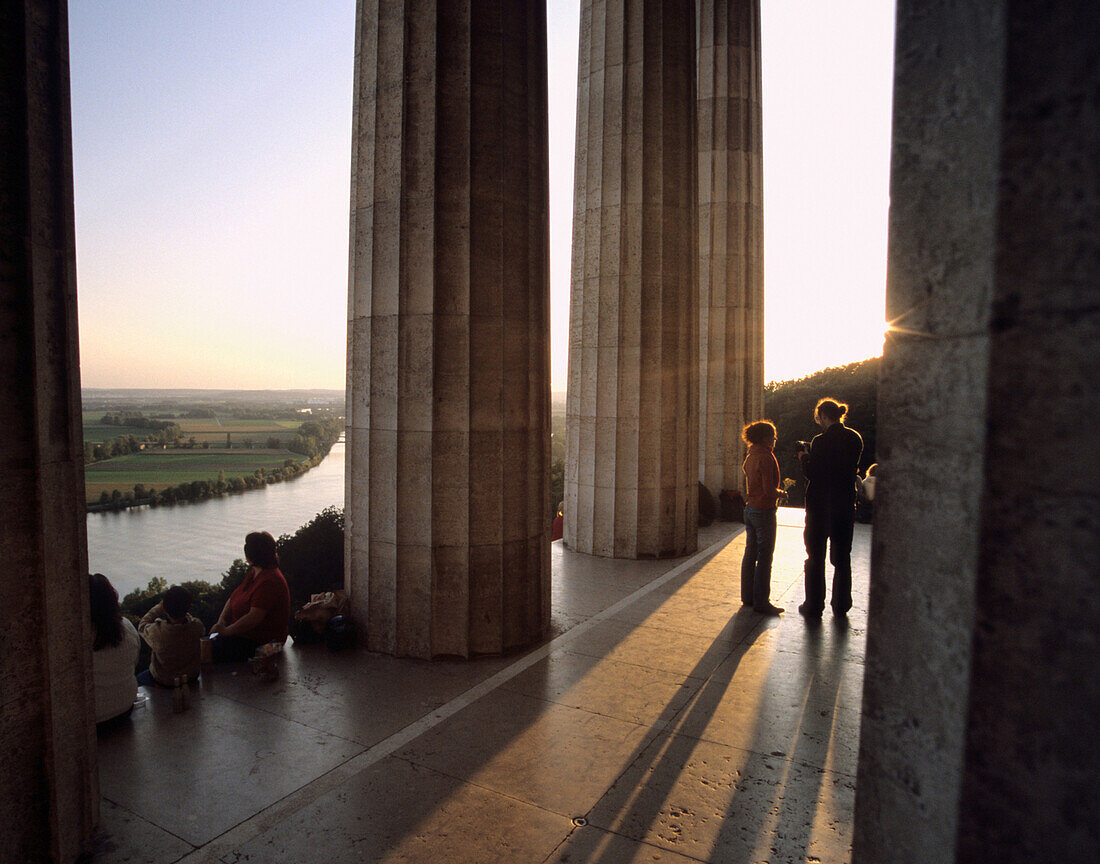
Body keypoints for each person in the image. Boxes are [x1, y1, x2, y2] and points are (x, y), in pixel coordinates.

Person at [797, 398, 863, 618]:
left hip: (820, 506)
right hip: (844, 505)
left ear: (823, 416)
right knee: (842, 557)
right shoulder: (855, 438)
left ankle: (814, 605)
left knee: (815, 556)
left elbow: (814, 473)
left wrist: (805, 456)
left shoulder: (820, 441)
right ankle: (841, 604)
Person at [210, 531, 290, 662]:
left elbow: (254, 617)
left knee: (209, 651)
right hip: (244, 637)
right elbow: (233, 598)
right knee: (207, 645)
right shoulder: (255, 573)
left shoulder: (270, 581)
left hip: (269, 644)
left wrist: (225, 631)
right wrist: (220, 623)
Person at [740, 420, 786, 615]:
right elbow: (768, 490)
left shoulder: (750, 456)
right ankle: (761, 602)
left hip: (750, 509)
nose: (774, 440)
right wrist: (782, 493)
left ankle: (747, 596)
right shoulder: (766, 457)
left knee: (750, 554)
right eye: (773, 436)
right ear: (766, 438)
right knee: (765, 556)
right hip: (764, 510)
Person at [89, 572, 140, 730]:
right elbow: (135, 662)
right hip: (124, 709)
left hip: (94, 720)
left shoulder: (74, 637)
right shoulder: (127, 626)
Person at [136, 584, 205, 687]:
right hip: (190, 678)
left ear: (164, 608)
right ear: (189, 608)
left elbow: (142, 625)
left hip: (163, 681)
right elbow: (191, 620)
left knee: (137, 680)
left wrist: (158, 608)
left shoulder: (157, 631)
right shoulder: (197, 627)